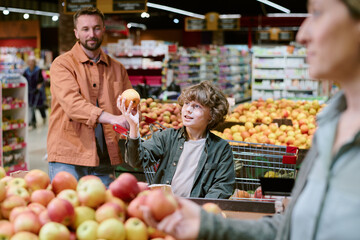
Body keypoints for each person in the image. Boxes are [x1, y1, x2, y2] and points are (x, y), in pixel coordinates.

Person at [141, 0, 360, 239]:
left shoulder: (220, 148)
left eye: (317, 13)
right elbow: (288, 228)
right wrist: (208, 226)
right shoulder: (329, 126)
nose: (301, 35)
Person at [47, 7, 132, 187]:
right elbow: (73, 105)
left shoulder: (117, 68)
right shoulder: (62, 64)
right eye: (85, 29)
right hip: (68, 156)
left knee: (105, 212)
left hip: (105, 157)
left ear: (104, 30)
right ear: (76, 33)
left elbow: (129, 106)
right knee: (66, 211)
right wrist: (113, 118)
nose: (91, 34)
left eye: (96, 28)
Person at [118, 80, 235, 199]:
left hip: (194, 212)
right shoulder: (167, 137)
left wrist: (199, 210)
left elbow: (222, 187)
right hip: (164, 207)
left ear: (212, 114)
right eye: (187, 103)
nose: (188, 109)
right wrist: (134, 126)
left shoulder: (221, 149)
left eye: (196, 106)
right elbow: (136, 160)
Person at [23, 57, 47, 129]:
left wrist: (37, 89)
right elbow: (24, 80)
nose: (31, 63)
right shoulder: (26, 71)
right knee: (31, 107)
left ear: (34, 62)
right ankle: (33, 122)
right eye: (29, 61)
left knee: (40, 106)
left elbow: (40, 81)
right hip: (29, 91)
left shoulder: (38, 70)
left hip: (38, 91)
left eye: (32, 61)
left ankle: (44, 117)